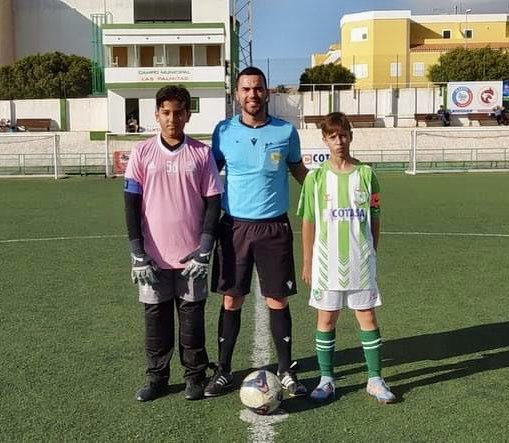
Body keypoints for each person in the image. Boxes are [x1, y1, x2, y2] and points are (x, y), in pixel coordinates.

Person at [204, 66, 309, 398]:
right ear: (237, 94)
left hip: (274, 226)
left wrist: (328, 195)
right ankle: (223, 370)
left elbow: (299, 171)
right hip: (233, 227)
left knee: (276, 299)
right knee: (232, 298)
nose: (252, 94)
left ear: (267, 92)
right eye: (246, 89)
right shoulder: (222, 132)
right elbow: (208, 177)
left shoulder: (285, 132)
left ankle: (286, 370)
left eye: (258, 88)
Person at [124, 85, 223, 402]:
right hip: (152, 258)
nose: (172, 119)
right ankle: (157, 379)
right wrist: (137, 252)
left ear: (188, 115)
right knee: (156, 322)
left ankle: (194, 376)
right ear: (156, 115)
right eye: (165, 112)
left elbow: (213, 203)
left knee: (192, 321)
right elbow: (131, 203)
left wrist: (205, 247)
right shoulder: (141, 152)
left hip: (191, 257)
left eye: (178, 112)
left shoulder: (201, 153)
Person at [297, 112, 396, 404]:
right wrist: (307, 262)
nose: (338, 141)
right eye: (332, 136)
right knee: (326, 318)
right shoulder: (315, 179)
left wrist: (371, 252)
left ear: (350, 136)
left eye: (343, 135)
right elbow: (308, 221)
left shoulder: (367, 175)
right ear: (325, 139)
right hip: (326, 263)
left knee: (367, 316)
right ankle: (326, 379)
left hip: (360, 261)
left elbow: (374, 217)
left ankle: (375, 380)